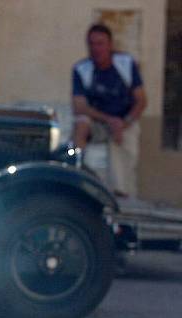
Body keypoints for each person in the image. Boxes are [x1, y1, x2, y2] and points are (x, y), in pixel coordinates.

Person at [72, 23, 147, 197]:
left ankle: (123, 193)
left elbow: (141, 101)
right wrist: (109, 120)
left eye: (100, 43)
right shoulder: (81, 69)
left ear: (110, 44)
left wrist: (123, 123)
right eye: (92, 44)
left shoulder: (126, 64)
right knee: (81, 125)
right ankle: (76, 173)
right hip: (98, 122)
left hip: (125, 121)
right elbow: (79, 107)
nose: (96, 48)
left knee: (122, 161)